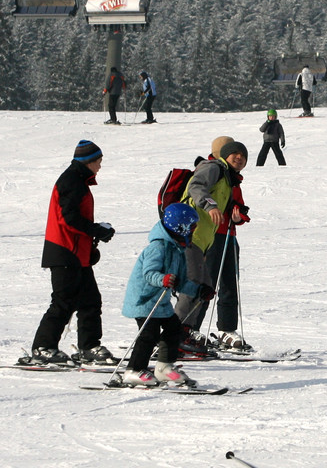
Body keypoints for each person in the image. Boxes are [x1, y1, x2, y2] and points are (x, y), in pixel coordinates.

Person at [28, 140, 117, 366]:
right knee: (63, 301)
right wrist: (96, 229)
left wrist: (95, 233)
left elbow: (76, 219)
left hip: (76, 253)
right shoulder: (71, 181)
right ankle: (42, 347)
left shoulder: (78, 180)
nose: (100, 166)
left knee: (90, 300)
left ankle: (89, 347)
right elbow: (68, 218)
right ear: (88, 162)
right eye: (98, 161)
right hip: (64, 251)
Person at [177, 140, 248, 352]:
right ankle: (188, 329)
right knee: (203, 284)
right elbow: (196, 189)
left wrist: (237, 218)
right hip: (207, 235)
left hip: (226, 234)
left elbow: (238, 206)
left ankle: (225, 329)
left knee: (227, 283)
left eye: (242, 155)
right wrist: (211, 206)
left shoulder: (231, 178)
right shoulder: (212, 169)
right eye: (233, 152)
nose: (239, 158)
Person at [120, 204, 201, 386]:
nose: (194, 230)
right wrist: (163, 279)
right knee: (148, 334)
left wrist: (198, 291)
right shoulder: (157, 247)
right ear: (181, 227)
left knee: (174, 329)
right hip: (144, 300)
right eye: (192, 226)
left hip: (161, 303)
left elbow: (180, 280)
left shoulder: (178, 249)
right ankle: (133, 370)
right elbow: (149, 273)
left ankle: (164, 368)